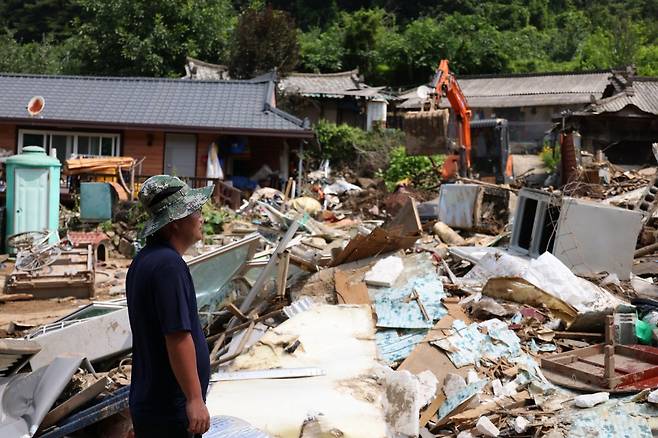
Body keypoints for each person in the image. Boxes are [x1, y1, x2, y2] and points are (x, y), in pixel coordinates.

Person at [126, 175, 213, 438]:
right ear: (174, 222)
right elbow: (177, 336)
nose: (201, 217)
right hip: (170, 409)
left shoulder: (145, 260)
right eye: (194, 210)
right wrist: (194, 399)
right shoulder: (168, 266)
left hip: (153, 405)